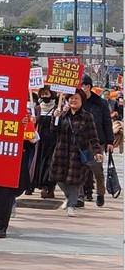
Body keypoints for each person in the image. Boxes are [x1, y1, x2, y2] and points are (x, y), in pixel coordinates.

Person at [50, 88, 103, 217]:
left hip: (78, 154)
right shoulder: (63, 115)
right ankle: (70, 198)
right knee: (59, 179)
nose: (73, 100)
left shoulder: (87, 117)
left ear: (82, 101)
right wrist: (54, 118)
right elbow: (53, 130)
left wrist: (97, 151)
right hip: (61, 152)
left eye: (76, 98)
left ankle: (71, 205)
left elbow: (93, 136)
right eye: (71, 98)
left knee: (74, 181)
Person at [81, 75, 114, 206]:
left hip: (97, 141)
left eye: (81, 85)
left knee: (97, 170)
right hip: (80, 141)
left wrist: (110, 141)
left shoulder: (101, 103)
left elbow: (107, 122)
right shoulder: (77, 101)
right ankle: (80, 197)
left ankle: (100, 194)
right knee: (79, 169)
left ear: (88, 86)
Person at [31, 86, 59, 198]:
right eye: (42, 94)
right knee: (38, 163)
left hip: (53, 140)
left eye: (46, 94)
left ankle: (50, 186)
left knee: (50, 164)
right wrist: (33, 121)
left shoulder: (57, 108)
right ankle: (40, 186)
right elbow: (33, 126)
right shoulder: (37, 109)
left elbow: (58, 126)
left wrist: (57, 117)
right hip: (40, 140)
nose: (44, 97)